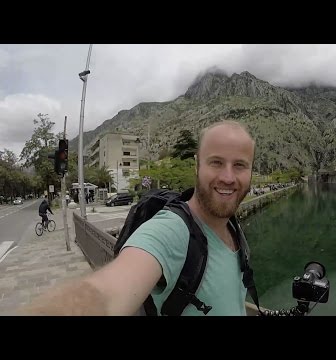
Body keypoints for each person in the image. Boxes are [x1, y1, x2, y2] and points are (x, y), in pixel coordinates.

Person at [19, 120, 255, 316]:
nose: (228, 177)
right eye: (216, 162)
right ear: (197, 166)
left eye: (240, 165)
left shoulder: (234, 228)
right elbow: (107, 292)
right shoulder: (172, 231)